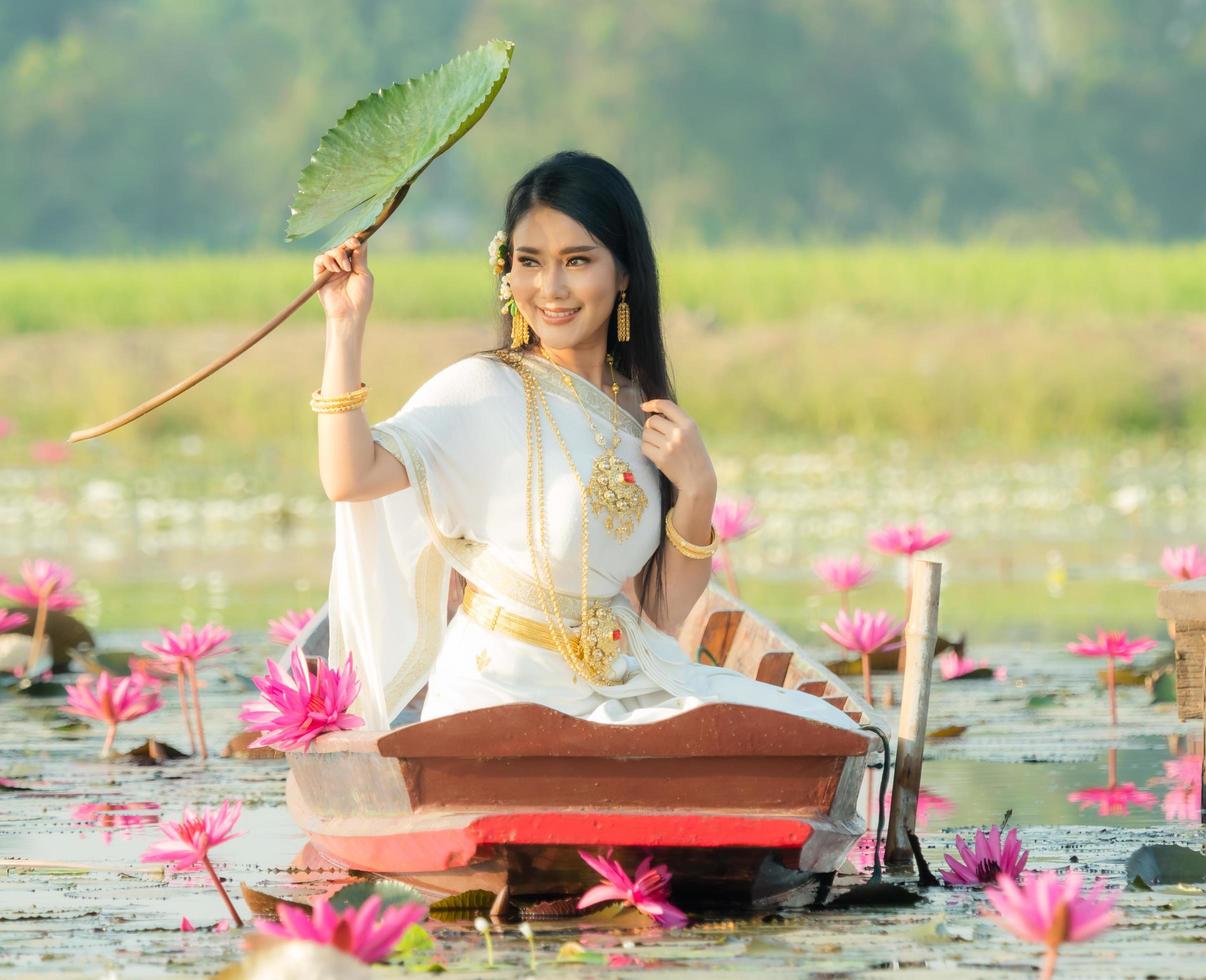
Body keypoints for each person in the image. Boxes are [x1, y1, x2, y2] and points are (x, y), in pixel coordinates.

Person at [314, 150, 860, 733]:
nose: (551, 288)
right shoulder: (485, 389)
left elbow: (663, 614)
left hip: (620, 683)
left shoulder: (640, 410)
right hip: (499, 697)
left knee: (818, 725)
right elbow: (349, 477)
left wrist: (699, 489)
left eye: (577, 261)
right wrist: (344, 329)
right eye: (530, 261)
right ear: (508, 270)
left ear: (623, 274)